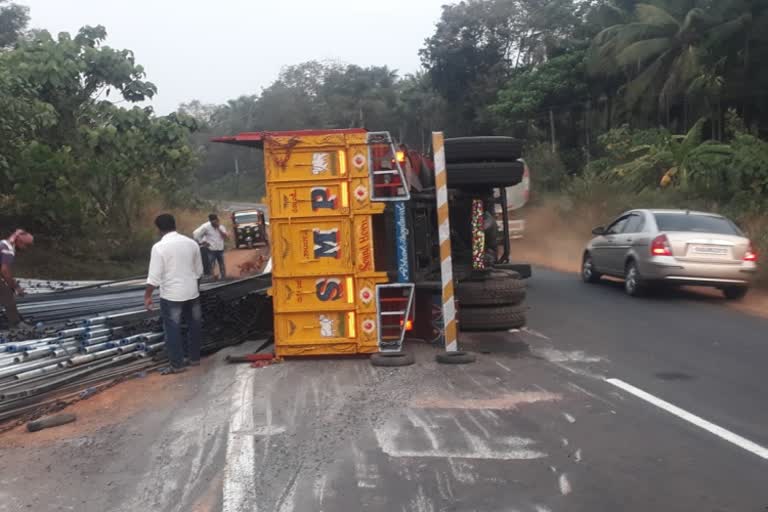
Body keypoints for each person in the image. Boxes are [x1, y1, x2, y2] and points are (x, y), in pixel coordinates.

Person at [145, 214, 204, 375]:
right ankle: (194, 359)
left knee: (173, 330)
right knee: (194, 327)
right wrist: (194, 288)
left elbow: (154, 278)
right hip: (192, 293)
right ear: (174, 225)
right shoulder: (192, 244)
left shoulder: (159, 248)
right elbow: (199, 272)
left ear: (159, 229)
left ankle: (177, 365)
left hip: (171, 296)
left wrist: (147, 296)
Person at [0, 230, 34, 329]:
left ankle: (16, 318)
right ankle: (16, 323)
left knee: (6, 290)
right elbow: (5, 271)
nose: (25, 248)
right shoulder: (8, 250)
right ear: (19, 242)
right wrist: (16, 287)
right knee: (7, 295)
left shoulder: (2, 243)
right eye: (26, 245)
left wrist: (11, 285)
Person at [193, 214, 229, 280]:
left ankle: (223, 277)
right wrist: (202, 242)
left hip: (220, 248)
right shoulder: (206, 227)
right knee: (211, 264)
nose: (215, 223)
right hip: (211, 249)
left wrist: (219, 228)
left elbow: (226, 236)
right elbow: (196, 234)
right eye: (213, 222)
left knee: (222, 263)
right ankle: (212, 278)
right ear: (210, 221)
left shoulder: (221, 227)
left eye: (216, 221)